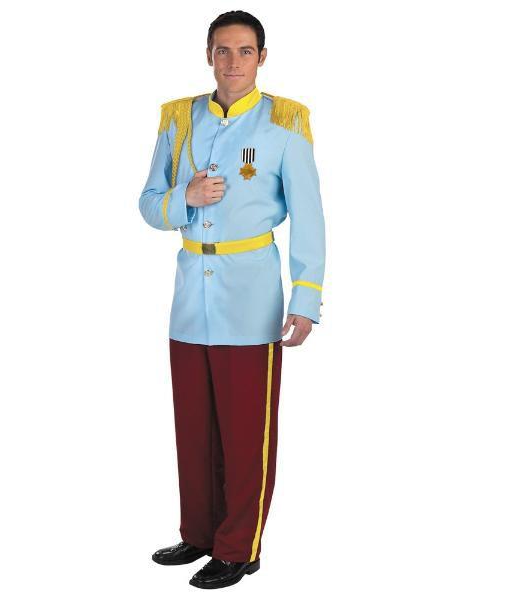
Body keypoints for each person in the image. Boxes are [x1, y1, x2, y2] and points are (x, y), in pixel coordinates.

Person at [138, 10, 325, 589]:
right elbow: (149, 203)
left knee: (246, 433)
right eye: (223, 50)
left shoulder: (285, 122)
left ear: (261, 57)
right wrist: (184, 199)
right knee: (194, 429)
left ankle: (239, 547)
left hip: (251, 297)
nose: (233, 62)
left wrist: (307, 297)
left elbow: (310, 216)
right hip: (189, 296)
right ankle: (199, 533)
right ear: (208, 55)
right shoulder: (179, 118)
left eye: (245, 51)